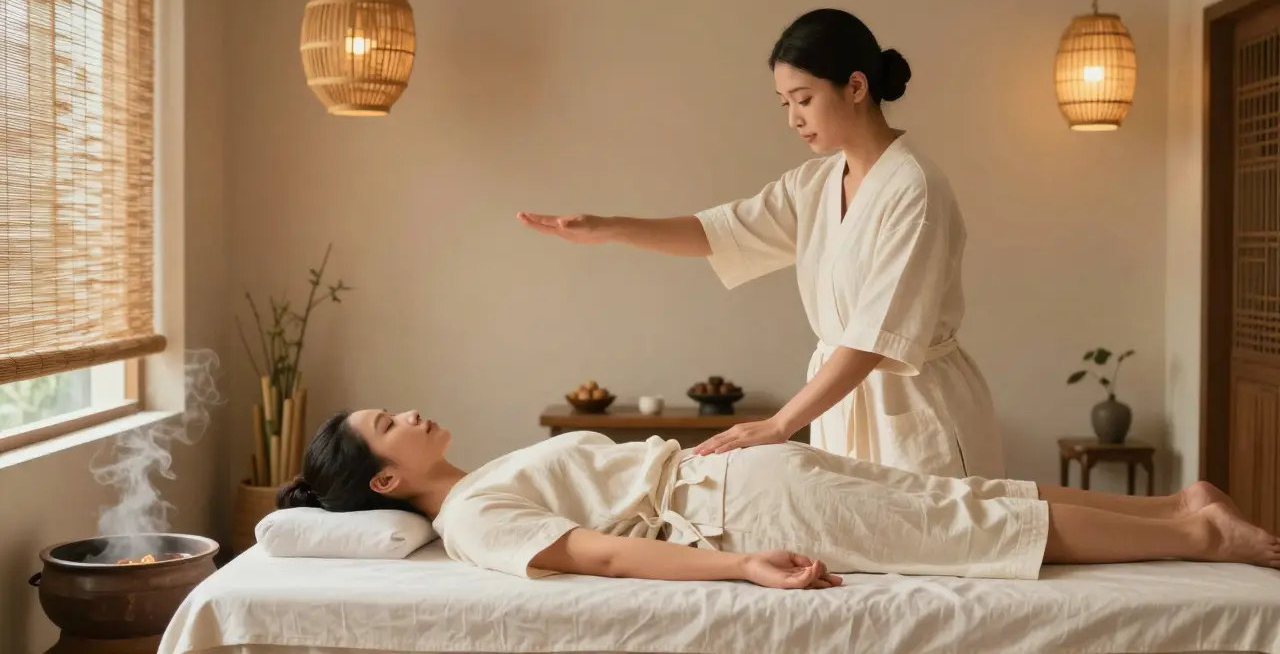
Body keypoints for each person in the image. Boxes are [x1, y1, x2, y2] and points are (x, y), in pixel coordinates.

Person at [516, 8, 1003, 479]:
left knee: (936, 529)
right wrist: (610, 227)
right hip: (839, 404)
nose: (793, 118)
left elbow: (873, 339)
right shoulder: (816, 183)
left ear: (856, 87)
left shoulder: (914, 188)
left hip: (914, 413)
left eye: (803, 99)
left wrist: (780, 424)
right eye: (784, 103)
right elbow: (721, 232)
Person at [277, 408, 1280, 590]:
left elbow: (602, 539)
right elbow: (598, 553)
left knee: (962, 511)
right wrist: (737, 566)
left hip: (742, 482)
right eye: (387, 422)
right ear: (385, 481)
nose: (409, 411)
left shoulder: (483, 480)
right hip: (745, 505)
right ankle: (1187, 519)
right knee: (960, 507)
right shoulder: (472, 519)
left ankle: (1186, 522)